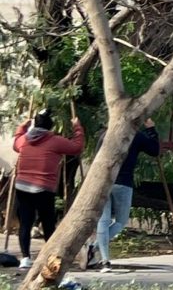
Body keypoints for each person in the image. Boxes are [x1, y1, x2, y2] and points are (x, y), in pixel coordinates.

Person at [13, 110, 85, 269]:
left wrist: (22, 127)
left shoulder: (24, 139)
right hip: (43, 188)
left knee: (25, 223)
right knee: (48, 223)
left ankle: (25, 258)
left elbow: (15, 144)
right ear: (50, 126)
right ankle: (50, 257)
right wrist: (77, 128)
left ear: (34, 124)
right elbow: (77, 147)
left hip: (23, 186)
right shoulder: (55, 141)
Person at [88, 118, 160, 271]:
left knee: (104, 221)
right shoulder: (136, 136)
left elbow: (95, 160)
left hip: (104, 181)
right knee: (120, 221)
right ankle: (98, 252)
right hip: (123, 182)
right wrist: (151, 129)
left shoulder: (105, 135)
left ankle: (100, 255)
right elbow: (154, 150)